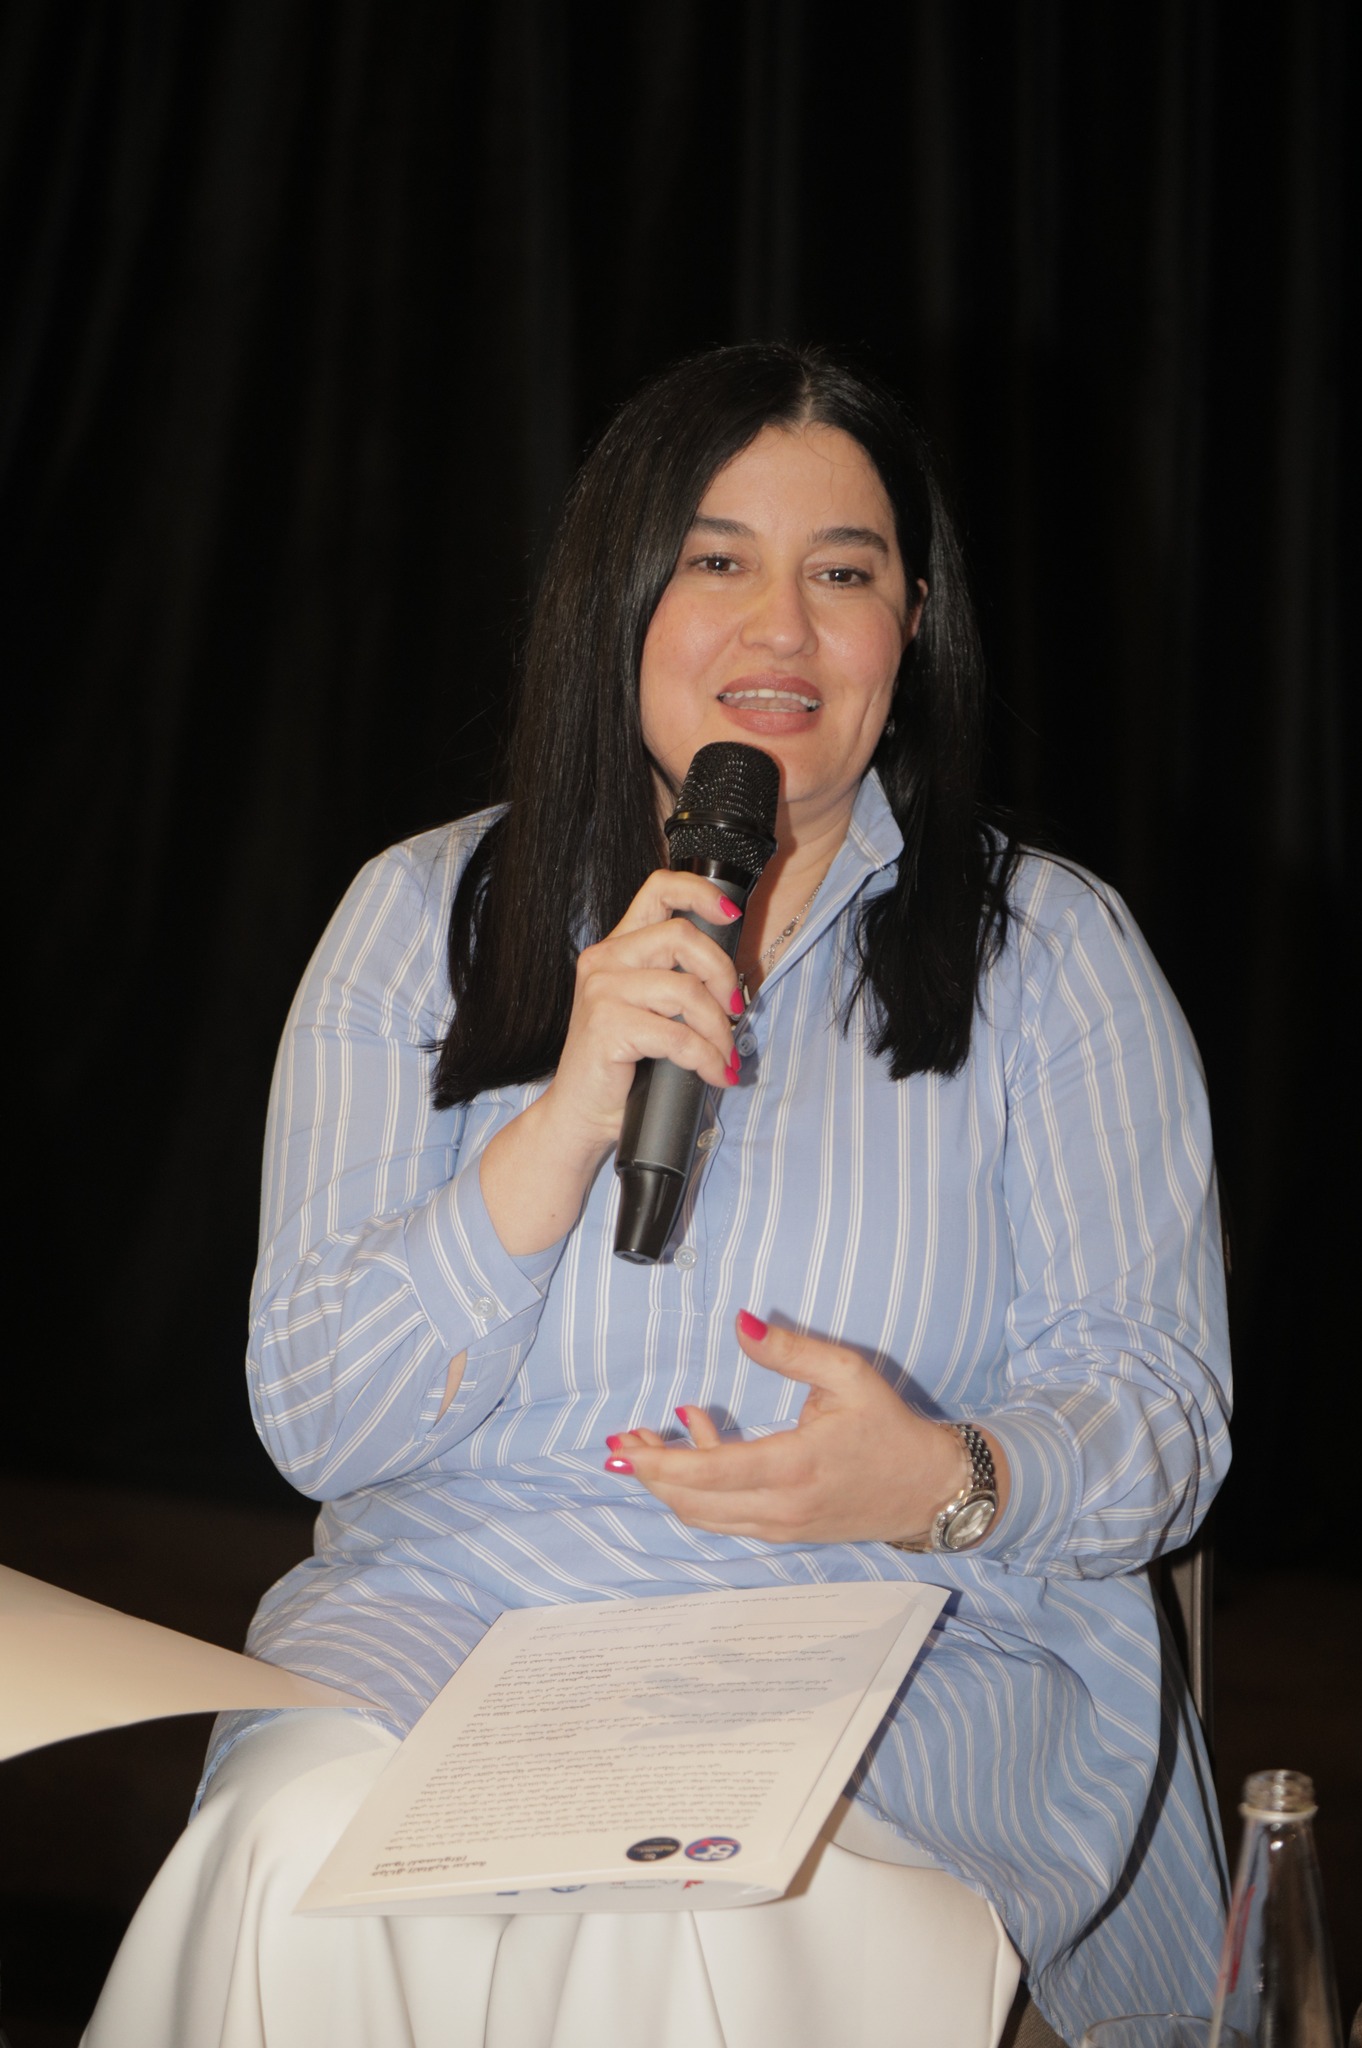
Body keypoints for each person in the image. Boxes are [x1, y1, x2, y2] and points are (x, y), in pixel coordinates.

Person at [84, 343, 1231, 2048]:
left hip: (888, 1644)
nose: (782, 629)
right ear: (616, 600)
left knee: (698, 1905)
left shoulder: (1049, 954)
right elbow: (319, 1419)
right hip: (458, 1621)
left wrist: (942, 1478)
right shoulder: (418, 920)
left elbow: (1157, 1411)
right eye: (717, 561)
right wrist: (562, 1115)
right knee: (295, 1841)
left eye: (842, 573)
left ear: (909, 630)